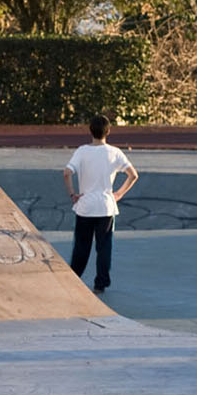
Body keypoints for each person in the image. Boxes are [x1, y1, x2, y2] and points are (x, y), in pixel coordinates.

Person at [62, 114, 137, 294]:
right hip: (105, 206)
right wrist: (118, 193)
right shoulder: (115, 152)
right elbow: (133, 175)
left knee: (82, 246)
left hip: (85, 206)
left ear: (91, 131)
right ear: (108, 131)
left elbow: (66, 172)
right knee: (104, 247)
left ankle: (75, 278)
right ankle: (100, 283)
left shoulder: (82, 151)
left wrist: (72, 193)